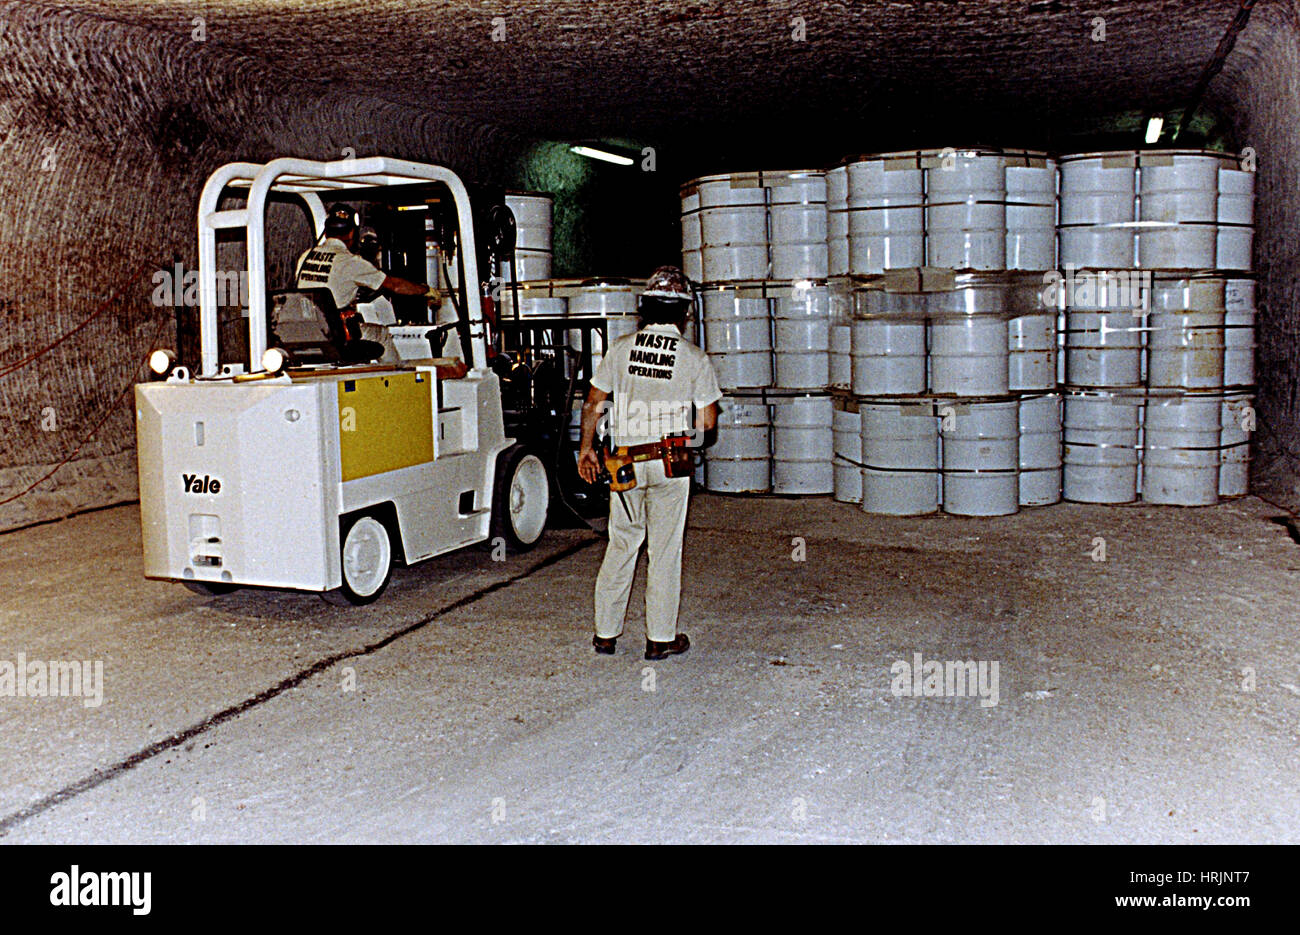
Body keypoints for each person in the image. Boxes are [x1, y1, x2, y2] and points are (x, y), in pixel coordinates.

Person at [577, 266, 721, 661]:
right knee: (664, 550)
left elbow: (593, 403)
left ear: (644, 308)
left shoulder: (621, 348)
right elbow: (707, 422)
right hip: (669, 463)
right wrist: (683, 436)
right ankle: (660, 639)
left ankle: (605, 634)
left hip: (624, 464)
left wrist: (586, 449)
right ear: (684, 314)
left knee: (622, 544)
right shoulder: (693, 357)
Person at [294, 205, 439, 361]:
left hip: (307, 331)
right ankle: (395, 376)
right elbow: (394, 285)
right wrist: (426, 290)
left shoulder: (306, 256)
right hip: (335, 334)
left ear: (327, 230)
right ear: (351, 233)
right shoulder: (350, 262)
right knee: (381, 334)